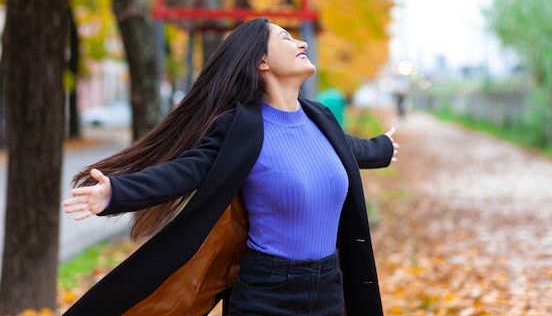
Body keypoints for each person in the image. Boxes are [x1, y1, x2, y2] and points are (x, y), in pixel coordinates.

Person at [62, 17, 399, 316]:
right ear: (261, 61)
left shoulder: (320, 119)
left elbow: (349, 148)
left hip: (329, 288)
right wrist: (116, 192)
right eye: (286, 38)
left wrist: (382, 147)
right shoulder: (243, 128)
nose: (302, 42)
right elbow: (187, 170)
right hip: (267, 293)